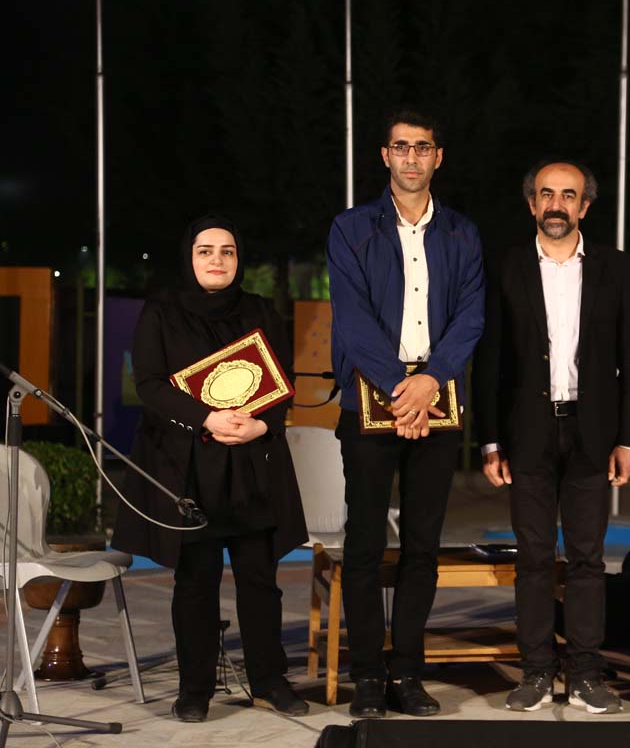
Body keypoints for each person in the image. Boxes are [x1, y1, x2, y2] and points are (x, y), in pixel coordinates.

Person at [113, 217, 309, 722]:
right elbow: (149, 384)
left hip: (251, 465)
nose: (217, 259)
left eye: (227, 250)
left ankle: (269, 681)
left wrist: (261, 425)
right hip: (190, 469)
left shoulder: (261, 310)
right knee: (195, 583)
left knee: (260, 581)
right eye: (206, 251)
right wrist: (206, 417)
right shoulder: (162, 312)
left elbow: (282, 381)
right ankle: (194, 690)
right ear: (190, 257)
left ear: (238, 258)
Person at [326, 109, 484, 718]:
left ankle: (408, 672)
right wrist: (402, 388)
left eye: (422, 148)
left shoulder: (463, 233)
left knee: (423, 546)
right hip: (371, 394)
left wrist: (431, 382)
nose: (411, 158)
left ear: (437, 157)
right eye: (401, 147)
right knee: (365, 544)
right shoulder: (350, 228)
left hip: (437, 395)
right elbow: (352, 319)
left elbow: (470, 316)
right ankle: (368, 675)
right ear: (385, 155)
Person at [474, 160, 630, 714]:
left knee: (589, 559)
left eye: (568, 195)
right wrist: (489, 440)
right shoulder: (505, 267)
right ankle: (536, 671)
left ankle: (588, 674)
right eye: (546, 194)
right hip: (526, 431)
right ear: (532, 204)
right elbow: (489, 359)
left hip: (593, 432)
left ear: (584, 207)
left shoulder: (618, 269)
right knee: (533, 558)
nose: (556, 204)